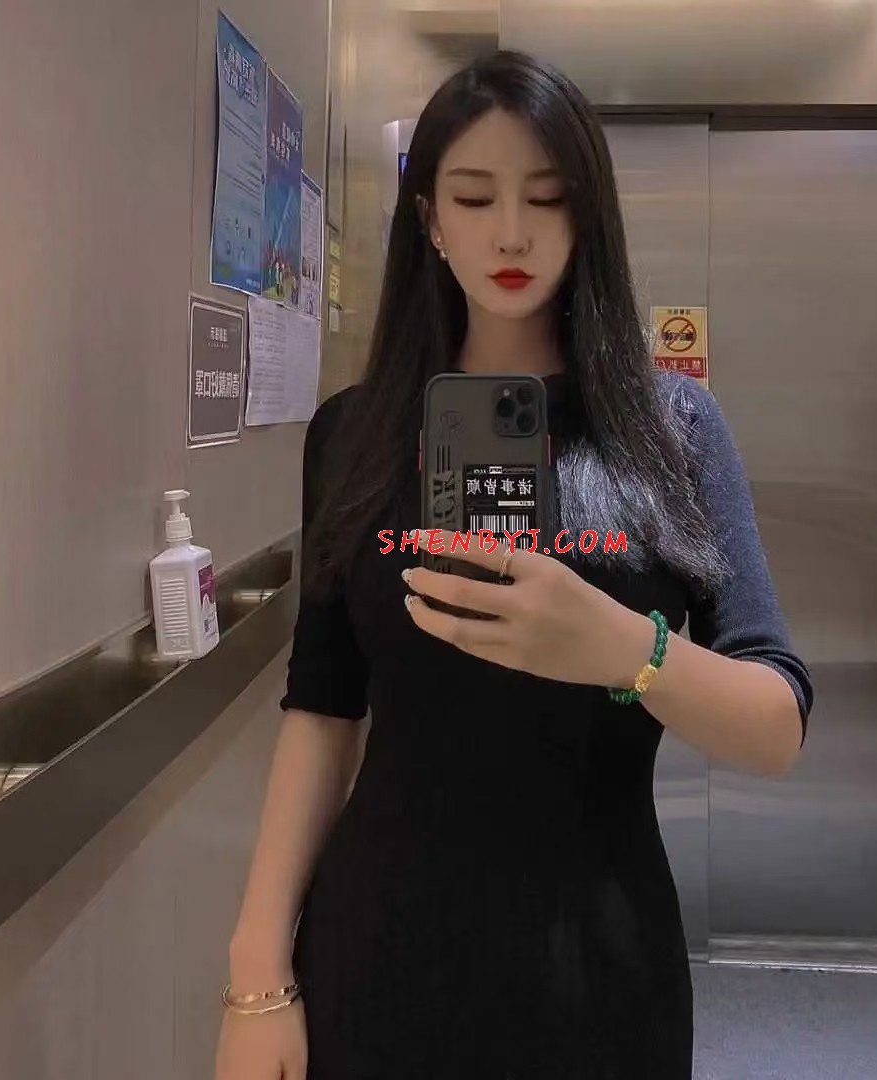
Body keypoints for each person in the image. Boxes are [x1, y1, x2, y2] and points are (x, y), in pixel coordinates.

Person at [214, 50, 813, 1080]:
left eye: (546, 197)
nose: (510, 233)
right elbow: (321, 708)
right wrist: (256, 973)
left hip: (601, 968)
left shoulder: (674, 429)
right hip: (380, 955)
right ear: (429, 219)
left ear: (588, 217)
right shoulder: (353, 435)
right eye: (473, 195)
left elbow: (777, 726)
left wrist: (622, 649)